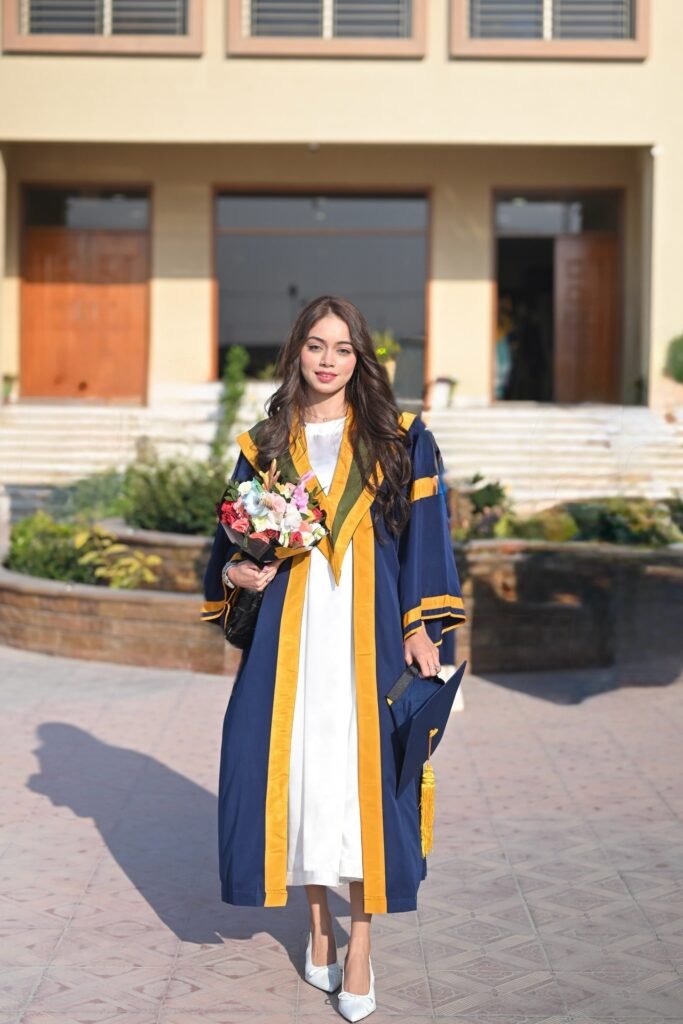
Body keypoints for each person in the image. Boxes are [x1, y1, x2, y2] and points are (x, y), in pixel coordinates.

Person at [201, 295, 466, 1021]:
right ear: (295, 353)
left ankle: (359, 950)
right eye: (315, 346)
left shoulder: (400, 438)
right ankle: (318, 928)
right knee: (305, 780)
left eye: (342, 348)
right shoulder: (264, 444)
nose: (326, 360)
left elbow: (427, 542)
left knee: (365, 783)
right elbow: (227, 549)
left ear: (360, 359)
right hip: (290, 642)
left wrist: (421, 630)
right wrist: (238, 574)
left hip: (367, 636)